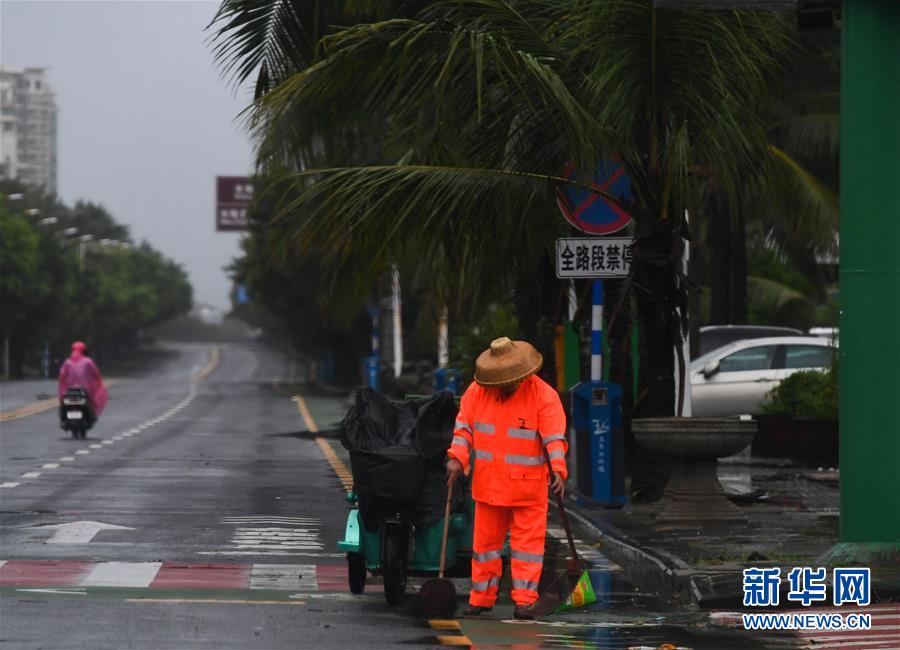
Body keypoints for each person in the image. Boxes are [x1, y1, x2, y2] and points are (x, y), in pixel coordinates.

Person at [446, 336, 568, 620]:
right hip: (489, 486)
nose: (504, 384)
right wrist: (456, 458)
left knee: (527, 548)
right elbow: (464, 429)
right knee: (485, 547)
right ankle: (481, 598)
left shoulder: (543, 395)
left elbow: (554, 438)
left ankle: (524, 600)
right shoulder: (477, 392)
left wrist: (558, 470)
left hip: (528, 487)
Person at [58, 341, 108, 429]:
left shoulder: (67, 362)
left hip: (69, 391)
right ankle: (89, 419)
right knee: (89, 404)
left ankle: (63, 420)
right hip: (84, 390)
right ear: (84, 351)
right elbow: (95, 374)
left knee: (63, 405)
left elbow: (62, 376)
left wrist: (63, 390)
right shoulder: (88, 361)